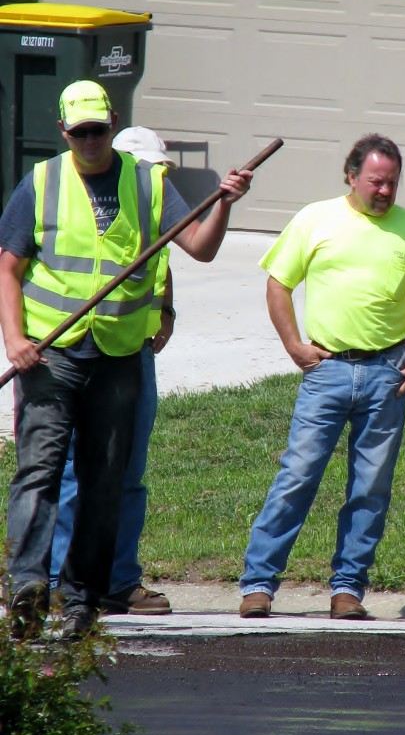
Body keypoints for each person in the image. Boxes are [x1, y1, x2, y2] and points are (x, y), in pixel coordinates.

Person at [0, 80, 252, 640]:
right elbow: (9, 267)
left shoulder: (148, 183)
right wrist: (15, 339)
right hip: (50, 355)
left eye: (100, 129)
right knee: (38, 473)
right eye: (80, 132)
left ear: (113, 122)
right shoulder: (40, 183)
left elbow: (202, 248)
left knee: (103, 480)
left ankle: (82, 599)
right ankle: (26, 588)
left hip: (117, 356)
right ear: (63, 130)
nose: (91, 140)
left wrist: (225, 205)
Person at [239, 133, 405, 620]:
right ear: (351, 177)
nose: (384, 191)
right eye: (376, 181)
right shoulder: (316, 218)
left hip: (386, 375)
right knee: (297, 477)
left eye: (392, 183)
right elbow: (279, 283)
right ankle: (258, 584)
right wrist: (294, 344)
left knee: (371, 487)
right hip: (327, 371)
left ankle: (348, 590)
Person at [49, 127, 178, 615]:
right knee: (71, 472)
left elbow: (159, 268)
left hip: (133, 355)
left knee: (127, 472)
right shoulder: (82, 207)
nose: (158, 180)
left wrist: (167, 311)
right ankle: (62, 579)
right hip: (77, 355)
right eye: (150, 169)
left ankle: (117, 580)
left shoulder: (151, 209)